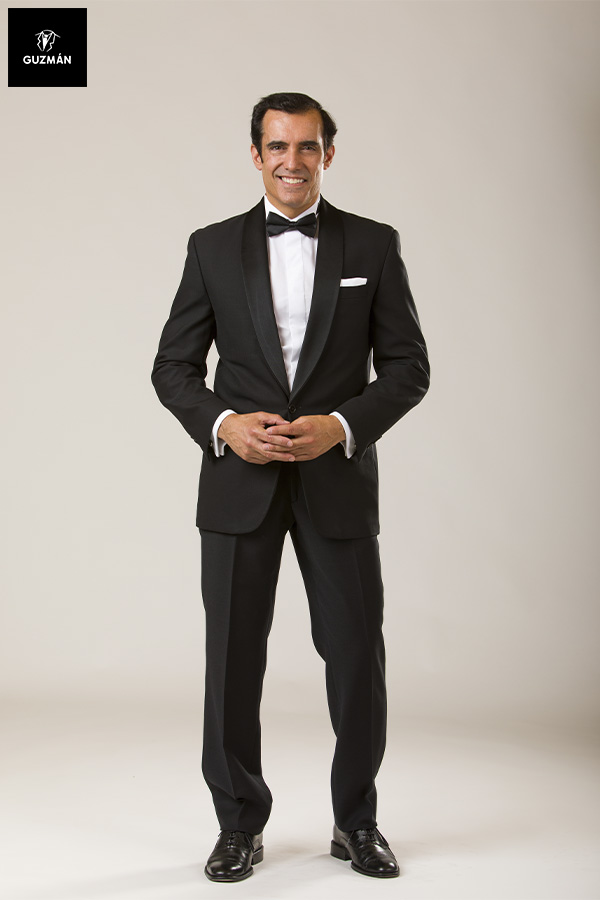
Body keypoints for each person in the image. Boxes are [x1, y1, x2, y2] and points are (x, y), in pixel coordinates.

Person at [151, 91, 430, 883]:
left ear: (328, 155)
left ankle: (356, 821)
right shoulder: (211, 247)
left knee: (356, 657)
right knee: (232, 661)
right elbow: (173, 366)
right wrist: (225, 423)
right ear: (256, 155)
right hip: (237, 484)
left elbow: (408, 368)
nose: (292, 161)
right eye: (278, 146)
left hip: (337, 483)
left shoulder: (373, 245)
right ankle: (238, 826)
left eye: (308, 147)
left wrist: (341, 425)